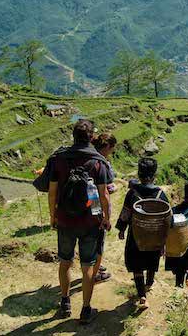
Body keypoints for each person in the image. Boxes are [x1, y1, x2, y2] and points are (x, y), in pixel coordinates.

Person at [48, 119, 113, 324]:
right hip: (90, 222)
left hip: (65, 219)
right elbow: (104, 196)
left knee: (65, 262)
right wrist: (106, 218)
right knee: (88, 266)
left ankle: (65, 302)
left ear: (73, 136)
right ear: (92, 137)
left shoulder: (59, 159)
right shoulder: (98, 162)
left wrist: (53, 216)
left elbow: (52, 192)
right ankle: (85, 310)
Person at [115, 157, 169, 310]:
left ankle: (142, 297)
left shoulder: (132, 193)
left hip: (136, 238)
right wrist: (164, 240)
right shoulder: (161, 195)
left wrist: (121, 229)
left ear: (138, 174)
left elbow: (125, 214)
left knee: (137, 266)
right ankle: (149, 283)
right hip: (155, 238)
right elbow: (168, 221)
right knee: (152, 261)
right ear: (154, 175)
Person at [90, 133, 118, 284]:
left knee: (90, 237)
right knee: (99, 237)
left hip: (85, 203)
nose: (111, 152)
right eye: (112, 149)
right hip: (96, 205)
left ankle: (95, 264)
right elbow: (105, 191)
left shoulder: (87, 157)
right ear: (107, 147)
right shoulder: (101, 163)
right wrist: (107, 217)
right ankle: (94, 274)